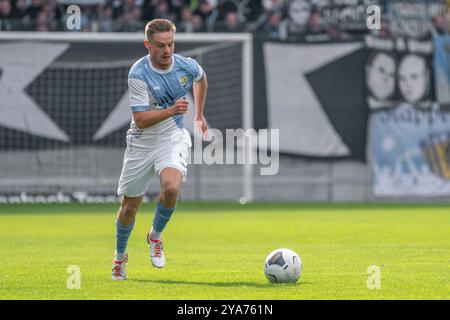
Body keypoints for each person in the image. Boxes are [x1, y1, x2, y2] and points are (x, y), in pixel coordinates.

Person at [112, 18, 208, 280]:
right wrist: (170, 110)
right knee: (130, 207)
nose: (167, 51)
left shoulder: (185, 66)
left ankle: (155, 236)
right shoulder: (138, 73)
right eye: (160, 46)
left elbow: (201, 78)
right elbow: (141, 119)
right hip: (142, 141)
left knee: (171, 187)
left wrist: (198, 114)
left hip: (172, 136)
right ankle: (120, 257)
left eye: (171, 44)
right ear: (148, 45)